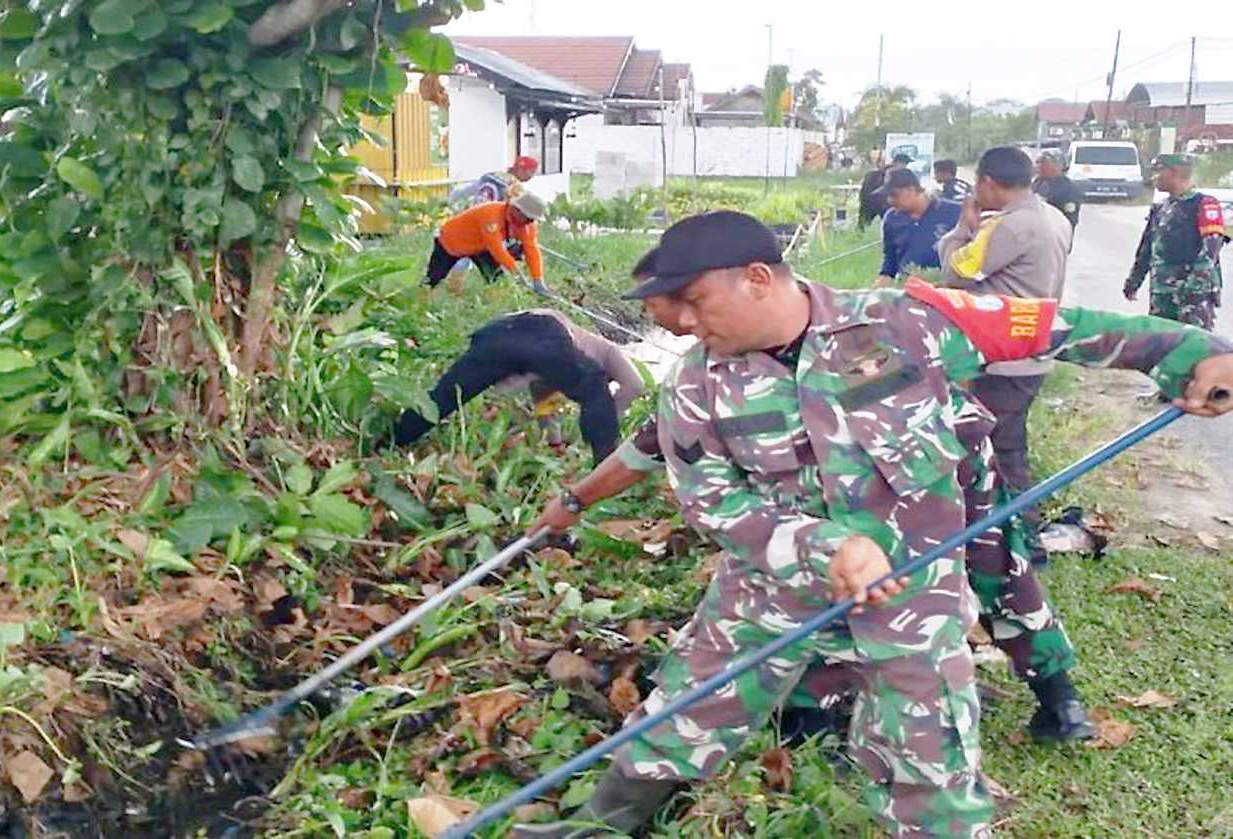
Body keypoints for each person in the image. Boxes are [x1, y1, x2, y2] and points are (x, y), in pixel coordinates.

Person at [512, 210, 1233, 839]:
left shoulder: (908, 322)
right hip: (769, 592)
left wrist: (1189, 353)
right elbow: (710, 497)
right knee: (685, 713)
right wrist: (822, 545)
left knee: (934, 765)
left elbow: (1062, 327)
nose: (689, 323)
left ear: (757, 277)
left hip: (912, 599)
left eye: (697, 302)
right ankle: (596, 827)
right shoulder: (697, 384)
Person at [533, 248, 1094, 748]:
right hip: (847, 505)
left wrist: (1171, 351)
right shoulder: (713, 373)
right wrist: (575, 501)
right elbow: (652, 445)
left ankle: (1057, 696)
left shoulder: (879, 321)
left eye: (688, 311)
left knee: (996, 569)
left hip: (947, 471)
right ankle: (813, 716)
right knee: (819, 580)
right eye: (668, 323)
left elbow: (1037, 329)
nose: (683, 329)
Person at [938, 145, 1072, 556]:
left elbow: (955, 271)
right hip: (1031, 350)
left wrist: (963, 228)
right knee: (1008, 444)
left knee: (996, 449)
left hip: (1002, 359)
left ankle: (1019, 540)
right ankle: (1012, 532)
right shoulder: (1053, 216)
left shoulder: (1010, 226)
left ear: (987, 183)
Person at [389, 309, 643, 465]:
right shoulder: (606, 352)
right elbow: (635, 385)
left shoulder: (556, 367)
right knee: (593, 383)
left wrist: (555, 444)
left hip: (494, 334)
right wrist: (609, 416)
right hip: (542, 327)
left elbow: (545, 404)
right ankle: (604, 468)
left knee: (444, 398)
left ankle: (390, 442)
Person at [1124, 153, 1228, 330]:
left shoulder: (1204, 204)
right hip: (1162, 291)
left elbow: (1211, 249)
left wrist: (1193, 285)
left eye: (1158, 171)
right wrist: (1134, 281)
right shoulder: (1160, 208)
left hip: (1194, 294)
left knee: (1194, 345)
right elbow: (1147, 248)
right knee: (1162, 343)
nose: (1154, 177)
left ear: (1175, 172)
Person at [423, 192, 549, 293]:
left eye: (532, 220)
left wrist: (538, 279)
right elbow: (496, 248)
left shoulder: (527, 225)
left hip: (481, 247)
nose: (530, 222)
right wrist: (518, 274)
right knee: (433, 279)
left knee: (495, 279)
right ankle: (420, 303)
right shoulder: (491, 215)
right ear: (516, 210)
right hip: (452, 242)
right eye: (528, 218)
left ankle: (492, 305)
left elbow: (531, 249)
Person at [873, 168, 961, 286]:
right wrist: (882, 281)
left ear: (912, 189)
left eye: (894, 195)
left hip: (947, 288)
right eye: (888, 196)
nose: (890, 200)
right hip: (907, 288)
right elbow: (890, 258)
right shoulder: (891, 219)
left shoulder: (955, 212)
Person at [449, 155, 539, 206]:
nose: (531, 176)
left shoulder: (491, 176)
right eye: (531, 172)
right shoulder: (515, 187)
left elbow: (465, 192)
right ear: (520, 170)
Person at [1032, 149, 1081, 231]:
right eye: (1037, 162)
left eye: (1043, 162)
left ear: (1058, 165)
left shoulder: (1069, 189)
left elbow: (1069, 218)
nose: (1039, 166)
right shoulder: (1036, 183)